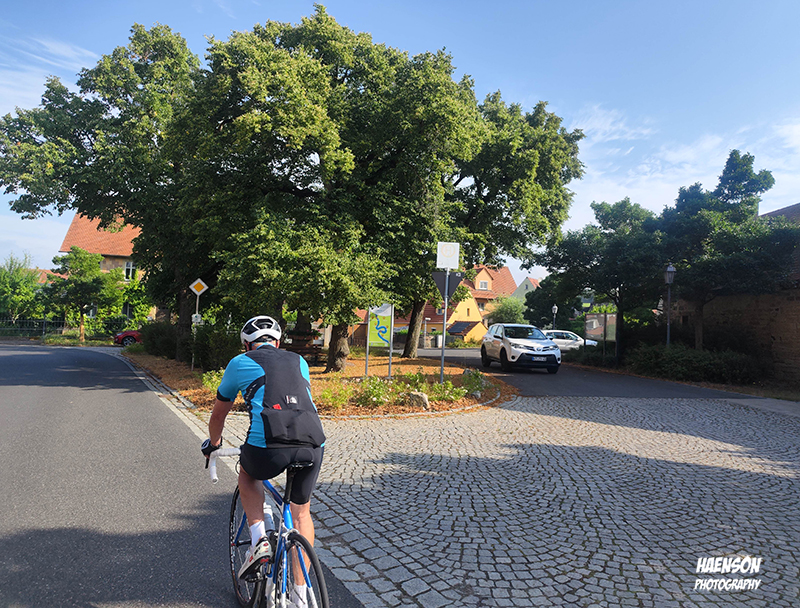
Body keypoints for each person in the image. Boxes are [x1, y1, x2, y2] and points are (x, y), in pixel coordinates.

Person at [201, 315, 326, 584]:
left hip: (267, 444)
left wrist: (214, 444)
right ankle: (300, 592)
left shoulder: (239, 362)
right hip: (313, 442)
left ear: (246, 345)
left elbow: (218, 415)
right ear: (278, 342)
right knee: (301, 514)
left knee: (248, 475)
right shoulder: (299, 361)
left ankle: (259, 541)